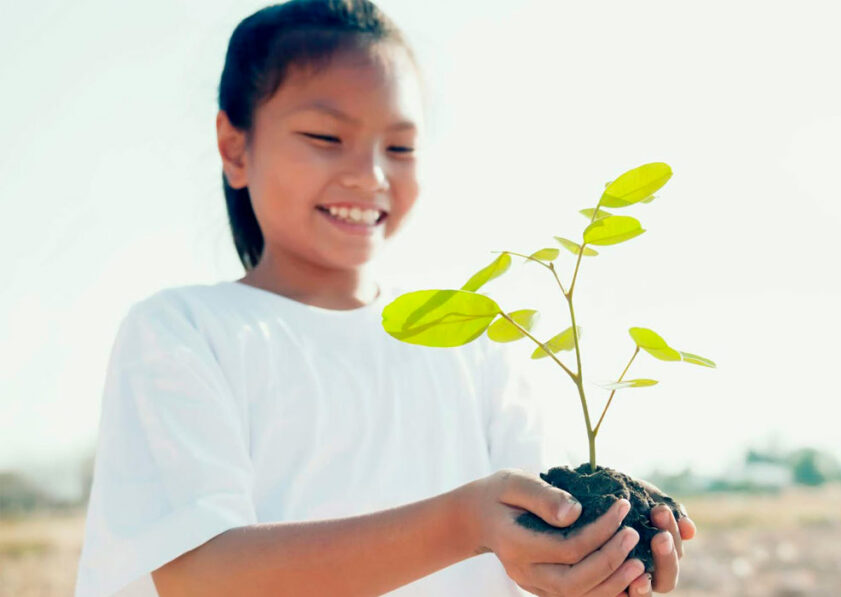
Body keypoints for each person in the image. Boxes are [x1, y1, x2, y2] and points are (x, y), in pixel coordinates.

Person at [73, 1, 695, 595]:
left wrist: (594, 562)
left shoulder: (472, 345)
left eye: (399, 147)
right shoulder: (184, 332)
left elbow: (531, 552)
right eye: (325, 136)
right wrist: (461, 523)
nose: (370, 175)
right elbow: (200, 577)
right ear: (236, 147)